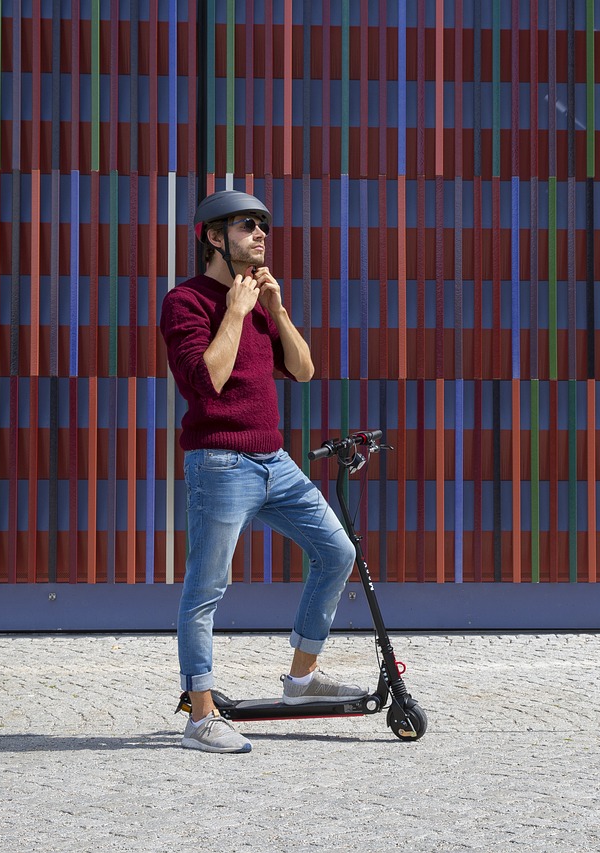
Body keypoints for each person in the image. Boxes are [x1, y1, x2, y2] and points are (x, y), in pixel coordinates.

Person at [159, 188, 365, 754]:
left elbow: (302, 370)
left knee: (338, 551)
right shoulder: (186, 303)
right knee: (207, 587)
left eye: (263, 227)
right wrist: (234, 312)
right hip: (220, 463)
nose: (261, 235)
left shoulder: (260, 302)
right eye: (248, 226)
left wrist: (276, 310)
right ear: (213, 237)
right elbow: (207, 382)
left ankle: (301, 678)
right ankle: (200, 717)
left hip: (274, 459)